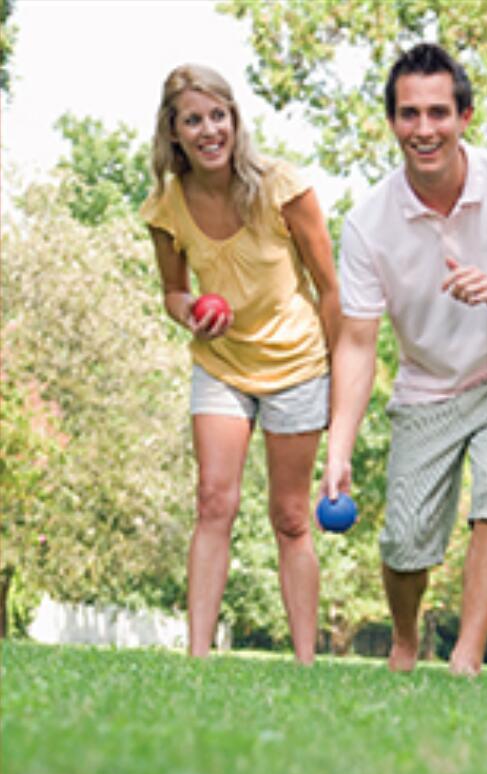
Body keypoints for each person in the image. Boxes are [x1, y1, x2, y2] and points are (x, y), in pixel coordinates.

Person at [322, 43, 487, 676]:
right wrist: (339, 448)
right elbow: (357, 343)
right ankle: (406, 643)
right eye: (409, 115)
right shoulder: (368, 223)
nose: (424, 129)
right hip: (430, 384)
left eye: (439, 112)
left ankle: (467, 657)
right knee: (404, 542)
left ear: (465, 116)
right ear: (392, 123)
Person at [141, 65, 340, 661]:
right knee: (213, 501)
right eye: (193, 120)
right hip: (222, 364)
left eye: (218, 116)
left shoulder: (282, 188)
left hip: (298, 364)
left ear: (234, 120)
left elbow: (330, 289)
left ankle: (305, 661)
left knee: (290, 515)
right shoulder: (166, 206)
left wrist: (338, 384)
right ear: (173, 132)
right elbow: (173, 292)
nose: (209, 131)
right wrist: (191, 313)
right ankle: (197, 657)